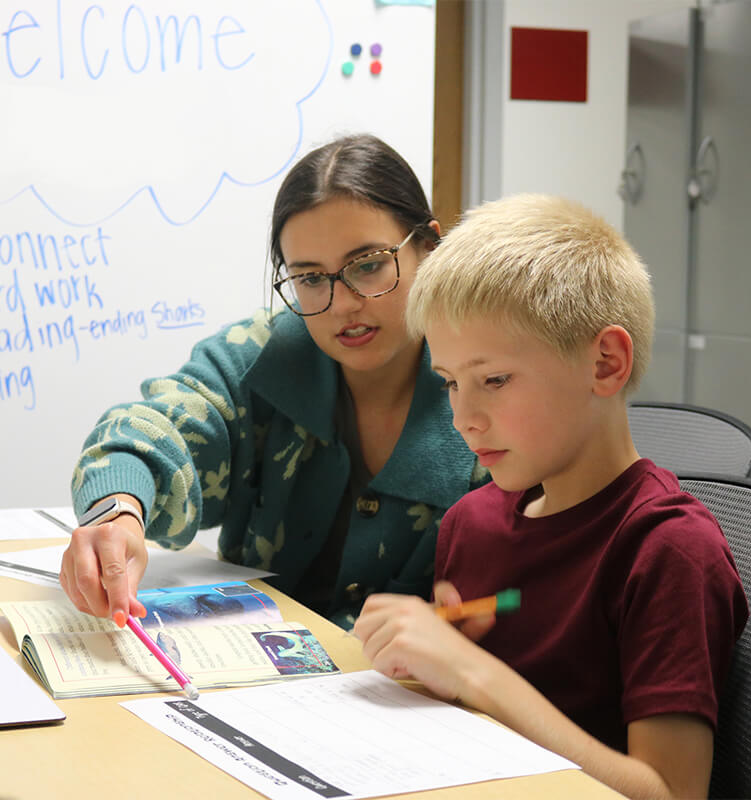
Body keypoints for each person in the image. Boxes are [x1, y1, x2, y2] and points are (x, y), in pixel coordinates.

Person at [353, 194, 749, 799]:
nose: (464, 417)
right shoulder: (471, 523)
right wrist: (430, 671)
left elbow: (672, 792)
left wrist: (473, 673)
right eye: (452, 384)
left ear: (606, 363)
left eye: (494, 380)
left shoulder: (667, 551)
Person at [60, 134, 487, 630]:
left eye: (368, 266)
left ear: (430, 248)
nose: (343, 303)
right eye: (309, 278)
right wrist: (118, 513)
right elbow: (145, 427)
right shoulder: (263, 355)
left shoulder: (488, 383)